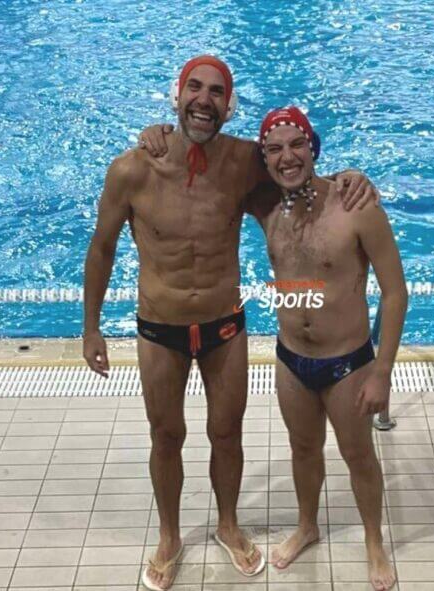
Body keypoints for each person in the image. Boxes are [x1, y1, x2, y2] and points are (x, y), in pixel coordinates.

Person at [82, 55, 379, 591]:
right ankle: (169, 537)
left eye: (216, 92)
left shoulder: (244, 161)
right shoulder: (132, 169)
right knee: (165, 435)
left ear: (229, 105)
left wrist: (348, 178)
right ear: (176, 96)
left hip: (224, 325)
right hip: (160, 328)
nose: (204, 100)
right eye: (194, 88)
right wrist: (91, 327)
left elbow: (298, 176)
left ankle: (228, 525)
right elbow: (101, 248)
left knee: (227, 433)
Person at [249, 107, 406, 590]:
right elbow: (212, 164)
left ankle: (374, 541)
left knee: (358, 454)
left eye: (297, 144)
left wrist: (382, 371)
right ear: (264, 159)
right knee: (303, 449)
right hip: (291, 358)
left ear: (313, 148)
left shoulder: (356, 205)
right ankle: (307, 525)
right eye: (275, 149)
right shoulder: (264, 205)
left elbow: (395, 292)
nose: (287, 157)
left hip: (348, 363)